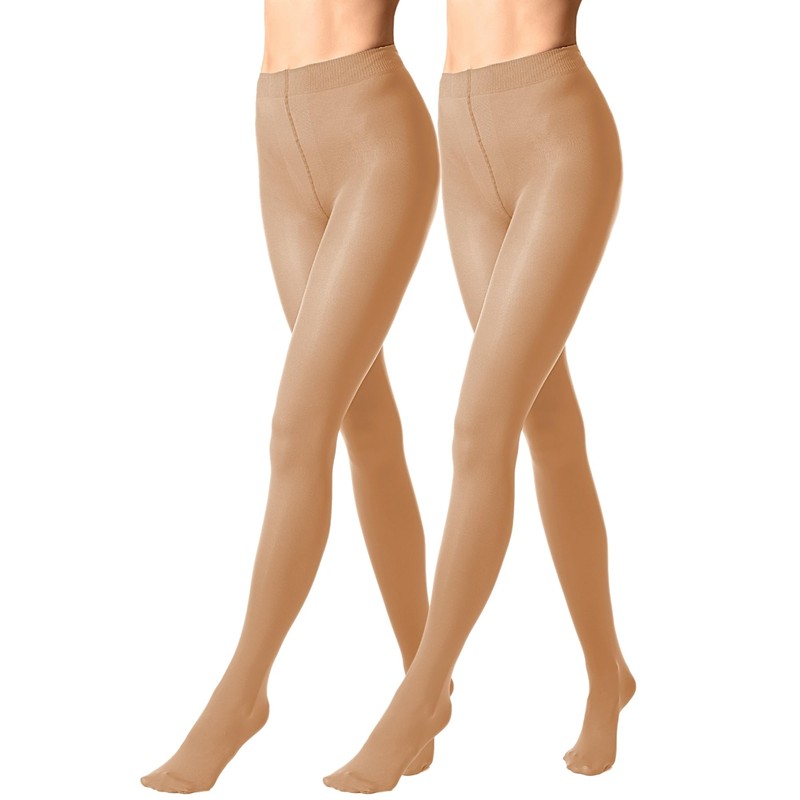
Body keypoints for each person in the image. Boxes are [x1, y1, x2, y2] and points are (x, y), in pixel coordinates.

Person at [323, 0, 635, 791]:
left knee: (479, 426)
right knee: (546, 420)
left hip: (557, 130)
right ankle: (609, 671)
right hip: (459, 130)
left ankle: (420, 698)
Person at [141, 1, 440, 792]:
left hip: (374, 130)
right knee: (363, 421)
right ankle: (428, 686)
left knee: (296, 427)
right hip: (276, 126)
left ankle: (242, 694)